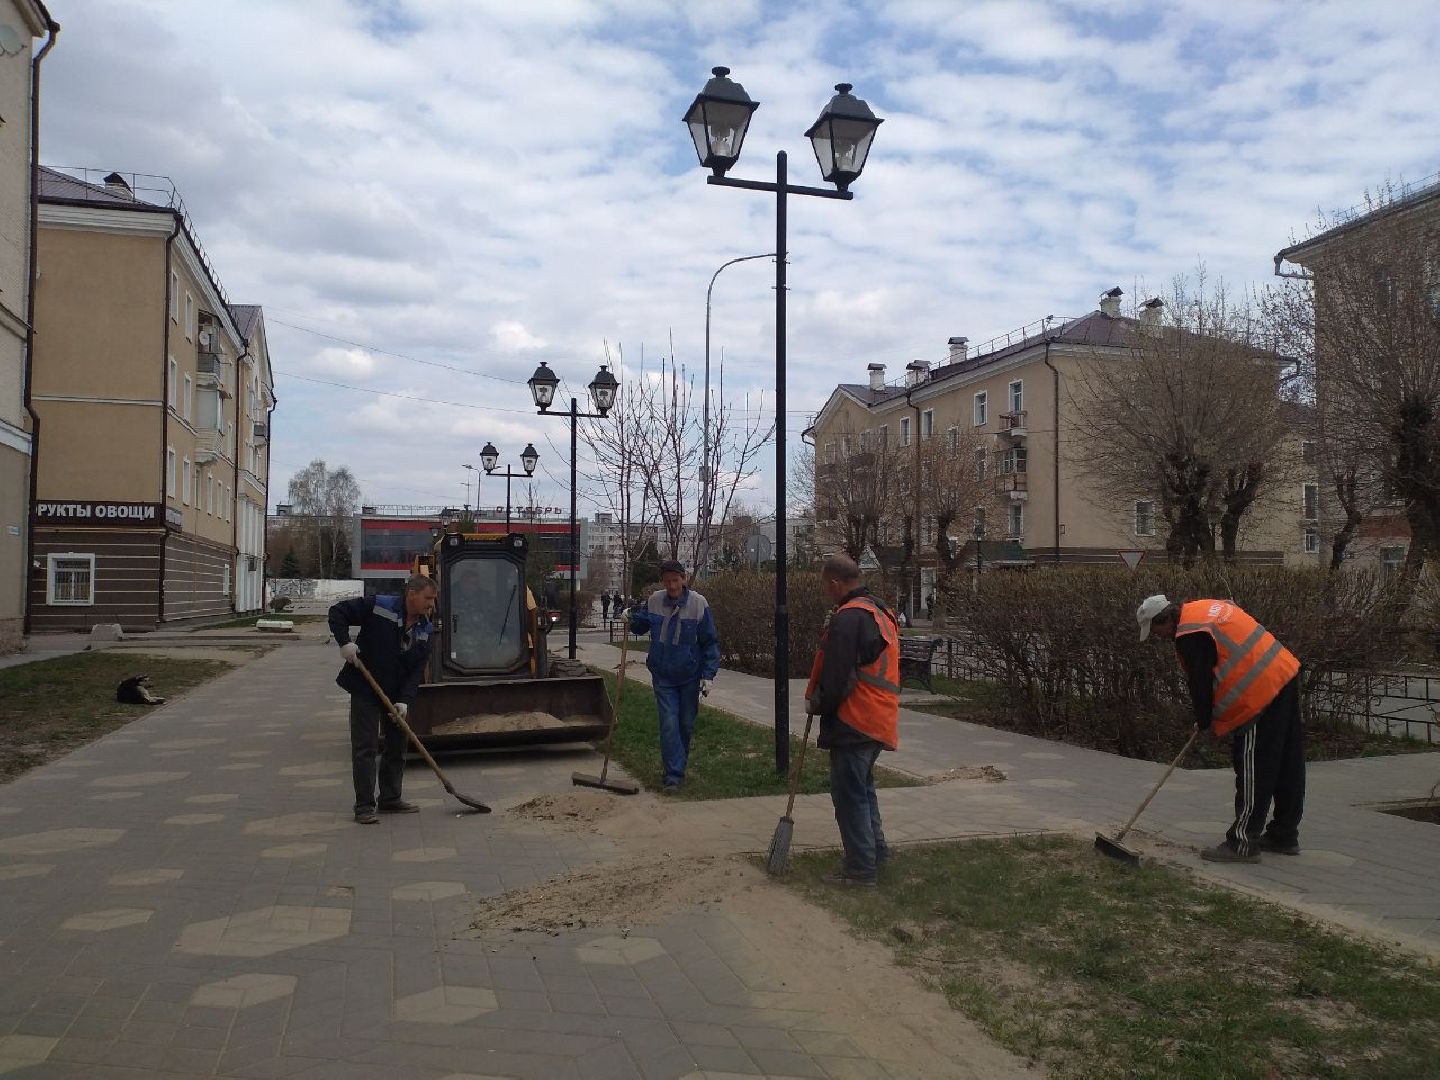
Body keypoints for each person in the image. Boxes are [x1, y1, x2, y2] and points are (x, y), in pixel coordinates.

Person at [1138, 594, 1305, 863]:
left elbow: (1200, 680)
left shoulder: (1190, 634)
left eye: (1156, 631)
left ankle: (1242, 843)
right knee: (1287, 761)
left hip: (1257, 695)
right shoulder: (1204, 610)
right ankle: (1284, 834)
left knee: (1254, 768)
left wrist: (1203, 720)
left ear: (1165, 619)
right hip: (1282, 674)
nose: (1158, 637)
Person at [805, 554, 901, 887]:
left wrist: (817, 703)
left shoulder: (848, 619)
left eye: (825, 586)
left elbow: (837, 676)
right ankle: (876, 852)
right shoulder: (880, 611)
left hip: (855, 719)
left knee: (850, 797)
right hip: (879, 717)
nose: (826, 592)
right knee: (864, 790)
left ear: (835, 583)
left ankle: (861, 870)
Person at [328, 575, 437, 825]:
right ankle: (364, 806)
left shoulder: (425, 629)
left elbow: (416, 670)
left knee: (397, 746)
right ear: (411, 594)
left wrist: (405, 701)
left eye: (433, 599)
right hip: (366, 687)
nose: (431, 604)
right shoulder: (379, 606)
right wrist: (345, 643)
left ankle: (390, 798)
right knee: (365, 747)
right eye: (428, 598)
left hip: (396, 694)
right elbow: (337, 612)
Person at [629, 560, 720, 792]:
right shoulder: (654, 601)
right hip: (663, 674)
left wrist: (708, 675)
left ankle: (677, 765)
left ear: (684, 579)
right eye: (667, 581)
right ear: (663, 581)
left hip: (690, 675)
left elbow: (710, 642)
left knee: (685, 724)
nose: (671, 585)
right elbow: (641, 627)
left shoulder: (699, 604)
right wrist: (630, 618)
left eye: (675, 580)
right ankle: (673, 776)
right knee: (669, 723)